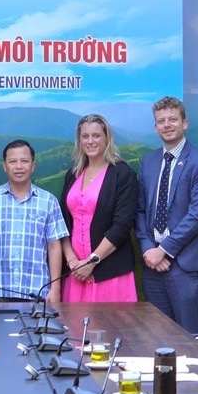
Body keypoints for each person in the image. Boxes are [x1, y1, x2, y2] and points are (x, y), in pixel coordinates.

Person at [136, 96, 198, 333]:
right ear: (155, 127)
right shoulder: (148, 161)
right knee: (156, 336)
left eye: (173, 119)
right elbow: (140, 210)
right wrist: (148, 250)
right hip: (152, 266)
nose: (167, 124)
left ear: (185, 123)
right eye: (161, 121)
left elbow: (197, 216)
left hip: (185, 265)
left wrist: (164, 251)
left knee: (189, 337)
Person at [59, 114, 139, 302]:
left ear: (107, 138)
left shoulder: (123, 174)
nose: (90, 141)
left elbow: (122, 225)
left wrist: (92, 261)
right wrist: (72, 262)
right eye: (85, 136)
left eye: (96, 135)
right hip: (75, 272)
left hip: (109, 271)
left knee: (109, 329)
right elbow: (62, 222)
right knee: (74, 329)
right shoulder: (73, 174)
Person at [0, 139, 69, 302]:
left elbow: (54, 247)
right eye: (13, 161)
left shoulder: (48, 201)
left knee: (35, 328)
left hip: (36, 289)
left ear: (33, 166)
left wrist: (55, 288)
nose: (19, 166)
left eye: (24, 161)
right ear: (4, 166)